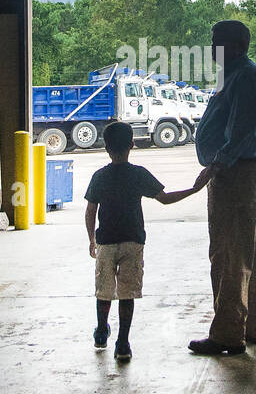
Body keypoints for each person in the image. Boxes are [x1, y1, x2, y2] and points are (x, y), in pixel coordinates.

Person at [84, 121, 208, 362]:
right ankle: (123, 343)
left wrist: (91, 239)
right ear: (131, 144)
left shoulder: (99, 176)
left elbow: (90, 211)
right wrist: (194, 189)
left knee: (104, 291)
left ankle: (101, 332)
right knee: (127, 293)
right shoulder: (138, 174)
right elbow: (165, 198)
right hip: (133, 241)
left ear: (105, 147)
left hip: (106, 242)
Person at [188, 19, 256, 356]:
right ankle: (253, 325)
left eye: (216, 41)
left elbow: (240, 131)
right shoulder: (236, 75)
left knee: (229, 254)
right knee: (251, 250)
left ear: (234, 45)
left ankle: (228, 334)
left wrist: (216, 165)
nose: (211, 48)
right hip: (243, 171)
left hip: (237, 174)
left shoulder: (244, 76)